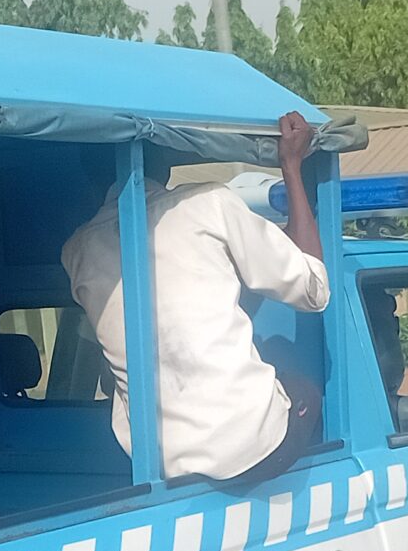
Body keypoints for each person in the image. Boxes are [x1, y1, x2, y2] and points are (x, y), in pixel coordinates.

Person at [58, 113, 330, 482]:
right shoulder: (209, 203)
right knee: (305, 388)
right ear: (168, 161)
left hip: (156, 464)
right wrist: (292, 165)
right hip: (250, 450)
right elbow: (313, 290)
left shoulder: (77, 250)